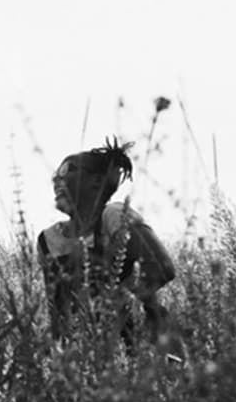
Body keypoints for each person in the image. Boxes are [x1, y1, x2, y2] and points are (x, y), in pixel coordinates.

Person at [37, 137, 175, 345]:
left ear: (96, 181)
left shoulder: (114, 215)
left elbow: (162, 269)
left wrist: (112, 293)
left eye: (67, 169)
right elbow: (57, 312)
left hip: (133, 344)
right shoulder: (48, 239)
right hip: (82, 352)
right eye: (56, 173)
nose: (57, 178)